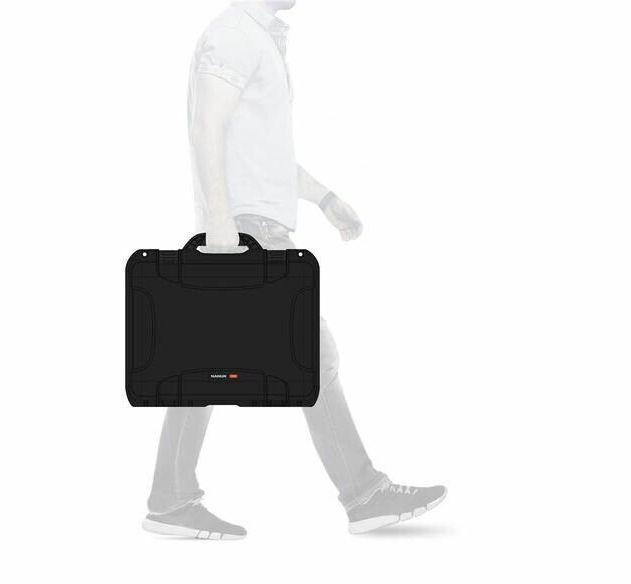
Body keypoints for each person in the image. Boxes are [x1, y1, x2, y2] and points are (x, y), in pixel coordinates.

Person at [142, 0, 446, 539]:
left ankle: (169, 498)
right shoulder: (234, 33)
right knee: (312, 355)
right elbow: (206, 126)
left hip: (251, 226)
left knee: (206, 363)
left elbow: (267, 156)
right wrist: (221, 229)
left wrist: (325, 199)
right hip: (248, 232)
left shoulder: (256, 37)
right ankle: (364, 494)